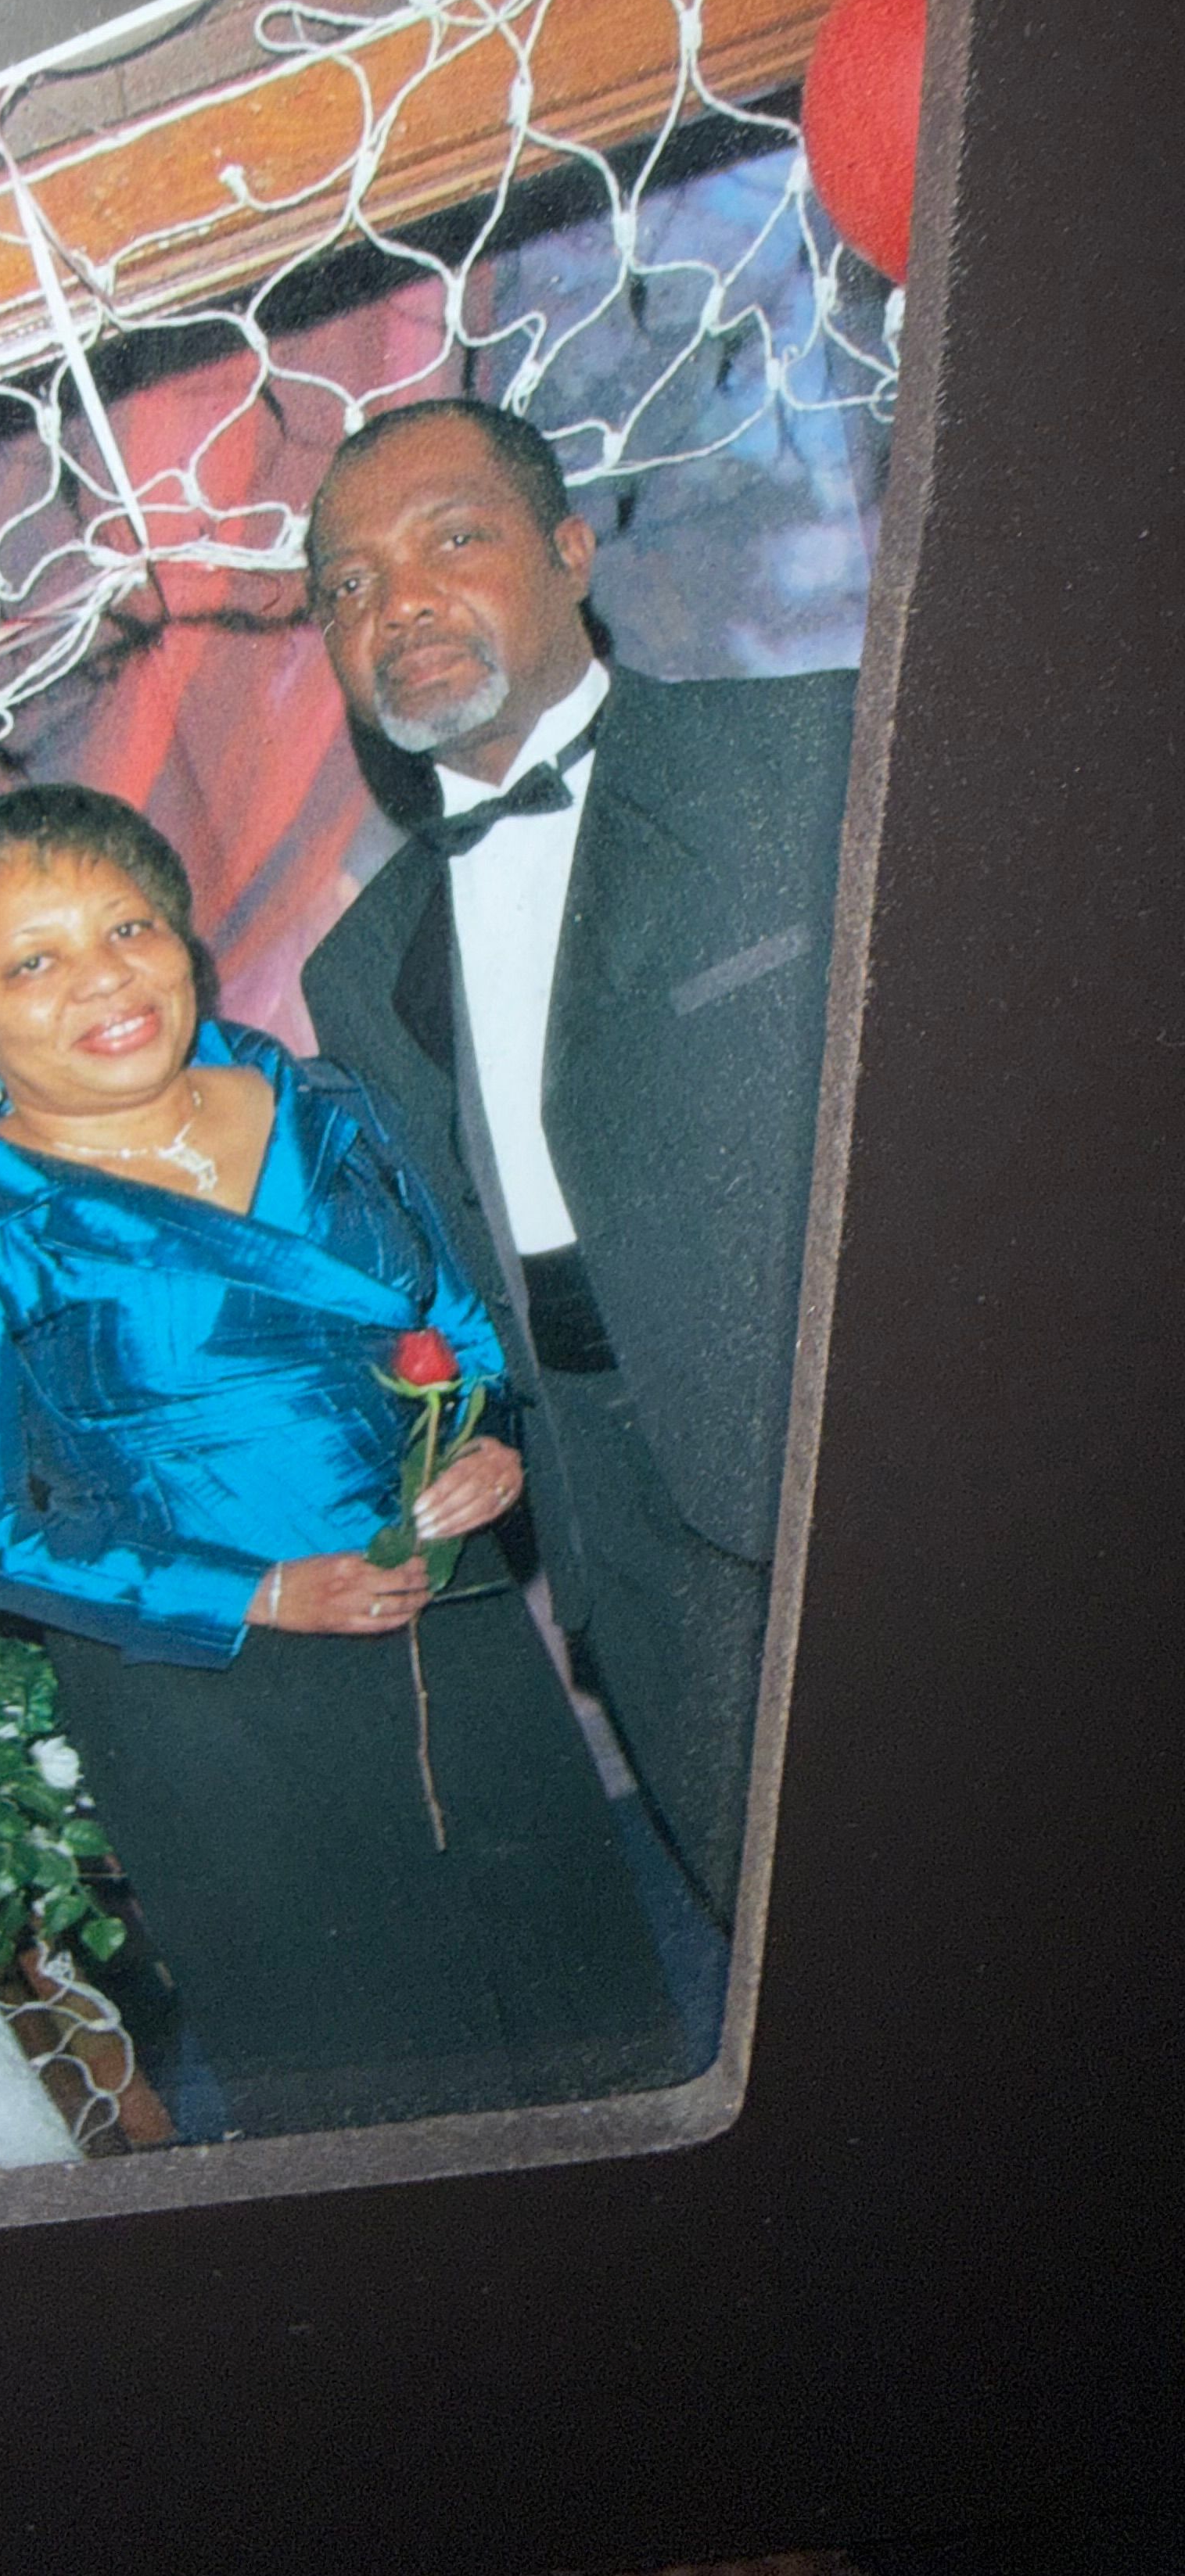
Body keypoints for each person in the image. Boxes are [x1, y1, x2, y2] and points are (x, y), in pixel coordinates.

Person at [0, 779, 682, 2140]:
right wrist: (256, 1593)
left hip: (453, 1625)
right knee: (382, 2093)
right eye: (33, 963)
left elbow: (460, 1328)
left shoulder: (325, 1104)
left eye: (128, 928)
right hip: (226, 1706)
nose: (105, 980)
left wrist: (485, 1444)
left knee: (590, 2014)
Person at [299, 400, 855, 1941]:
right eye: (350, 587)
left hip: (870, 1467)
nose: (401, 605)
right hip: (627, 1537)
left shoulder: (811, 752)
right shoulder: (358, 970)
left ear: (567, 551)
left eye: (451, 540)